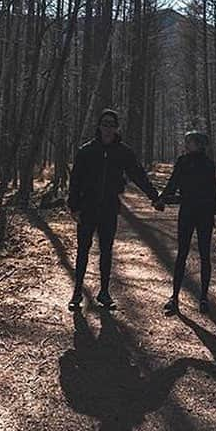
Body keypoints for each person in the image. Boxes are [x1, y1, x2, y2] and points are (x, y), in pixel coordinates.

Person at [67, 108, 160, 310]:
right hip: (87, 207)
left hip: (109, 207)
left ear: (117, 128)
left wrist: (154, 196)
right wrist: (73, 207)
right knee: (83, 249)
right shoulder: (86, 151)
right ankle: (77, 293)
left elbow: (138, 175)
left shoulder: (123, 152)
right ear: (99, 126)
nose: (108, 128)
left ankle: (104, 292)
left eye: (112, 125)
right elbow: (75, 180)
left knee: (106, 251)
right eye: (105, 124)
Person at [157, 130, 216, 315]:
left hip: (205, 214)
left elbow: (213, 186)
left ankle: (203, 298)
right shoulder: (182, 162)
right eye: (186, 141)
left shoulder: (208, 164)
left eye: (190, 142)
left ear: (200, 144)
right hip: (187, 213)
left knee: (204, 255)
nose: (186, 144)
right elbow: (172, 183)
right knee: (181, 254)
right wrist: (161, 198)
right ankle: (174, 297)